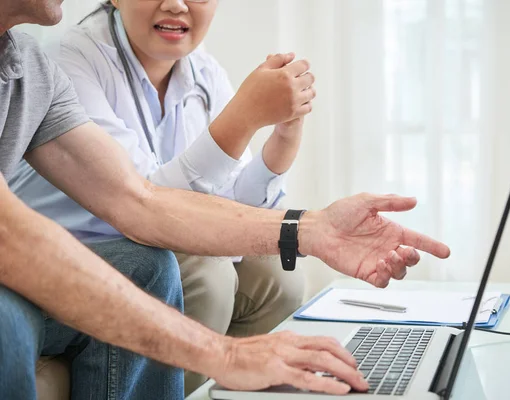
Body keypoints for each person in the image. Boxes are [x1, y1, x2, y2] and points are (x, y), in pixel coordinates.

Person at [0, 0, 450, 399]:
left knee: (174, 269)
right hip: (70, 245)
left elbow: (140, 201)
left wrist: (310, 227)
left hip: (132, 237)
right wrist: (226, 356)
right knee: (11, 320)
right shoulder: (74, 56)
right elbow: (14, 236)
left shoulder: (30, 68)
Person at [9, 0, 312, 392]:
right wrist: (244, 118)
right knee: (207, 275)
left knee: (278, 274)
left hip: (146, 226)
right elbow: (138, 200)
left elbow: (231, 206)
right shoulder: (71, 59)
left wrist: (284, 139)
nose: (176, 4)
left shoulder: (203, 71)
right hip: (95, 243)